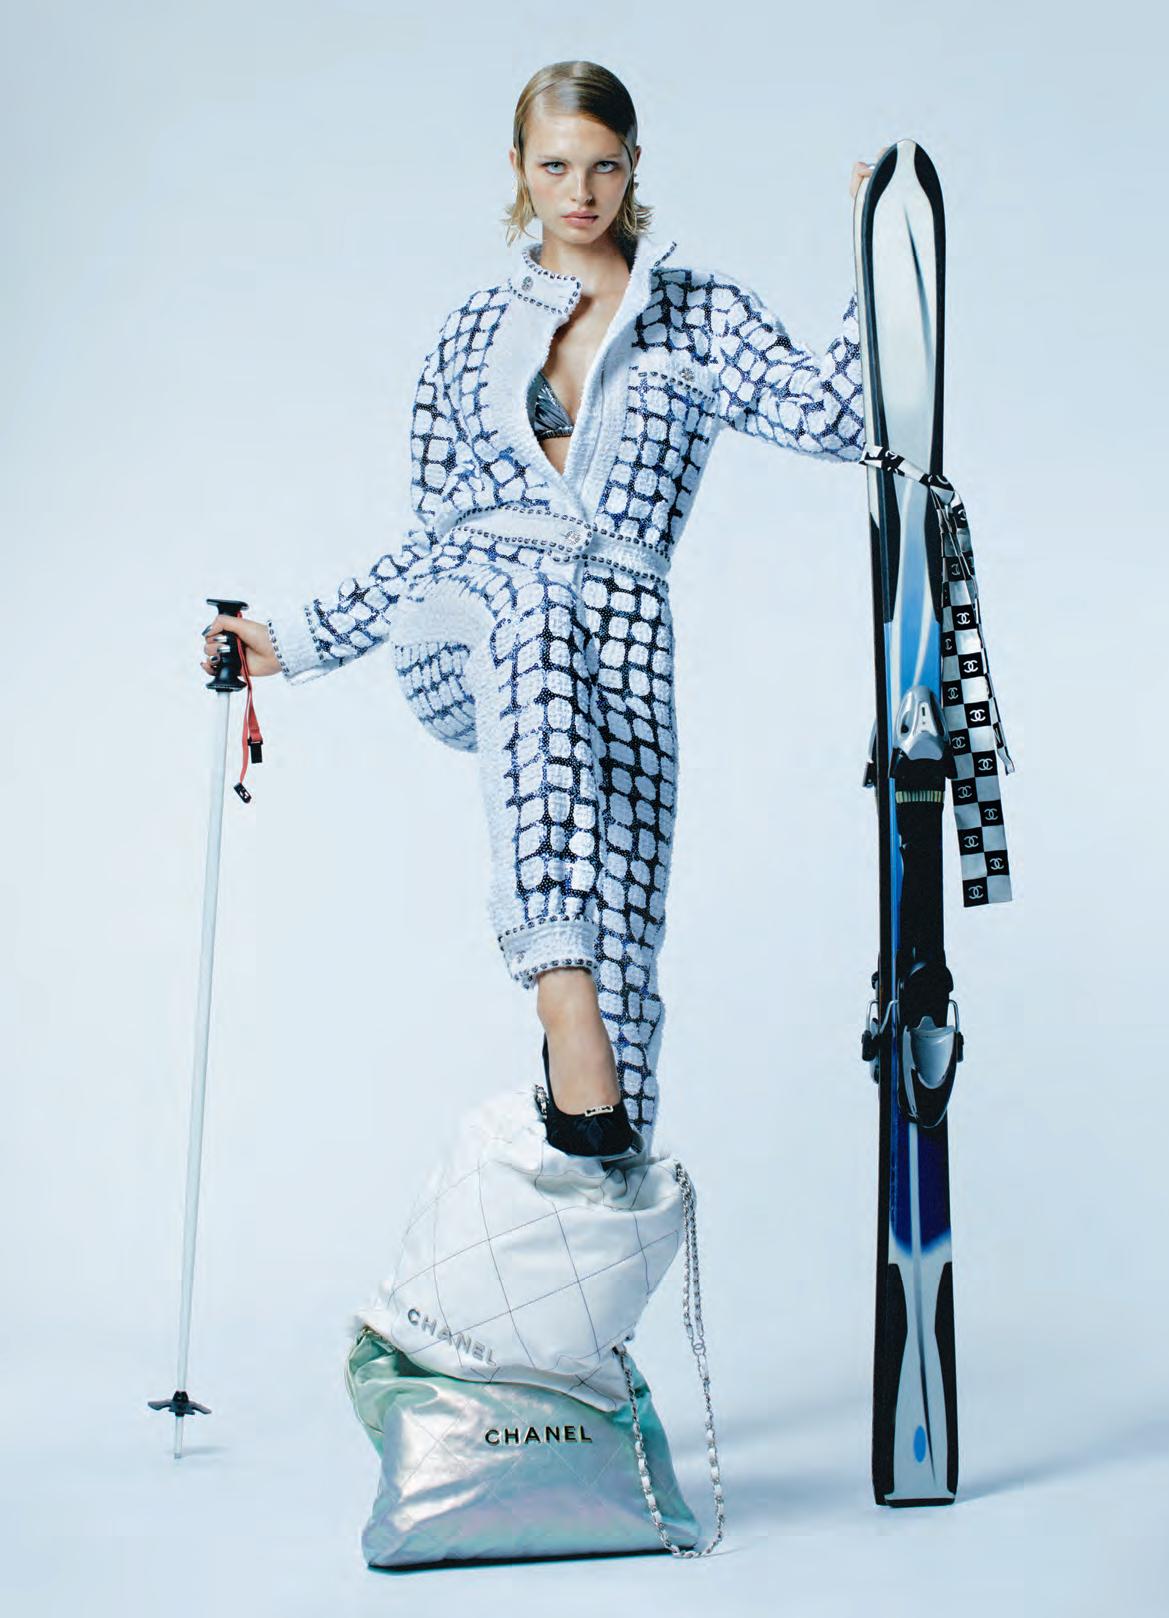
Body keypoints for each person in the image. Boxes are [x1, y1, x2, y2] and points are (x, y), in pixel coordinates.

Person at [200, 59, 877, 1159]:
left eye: (602, 167)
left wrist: (869, 256)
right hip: (464, 619)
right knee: (532, 607)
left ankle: (603, 1191)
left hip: (619, 631)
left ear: (634, 167)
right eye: (555, 167)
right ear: (518, 168)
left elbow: (837, 417)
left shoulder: (696, 316)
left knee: (630, 932)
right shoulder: (470, 334)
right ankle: (561, 995)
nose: (580, 192)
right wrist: (297, 639)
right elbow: (435, 540)